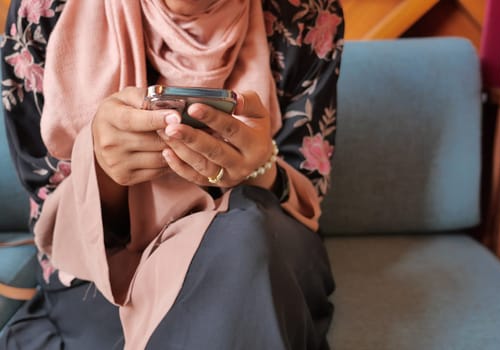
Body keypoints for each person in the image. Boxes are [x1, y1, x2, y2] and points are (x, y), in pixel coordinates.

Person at [0, 0, 344, 348]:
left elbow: (306, 191)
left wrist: (257, 168)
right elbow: (48, 200)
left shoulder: (307, 11)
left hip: (266, 249)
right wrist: (104, 172)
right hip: (102, 267)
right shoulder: (42, 9)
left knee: (244, 235)